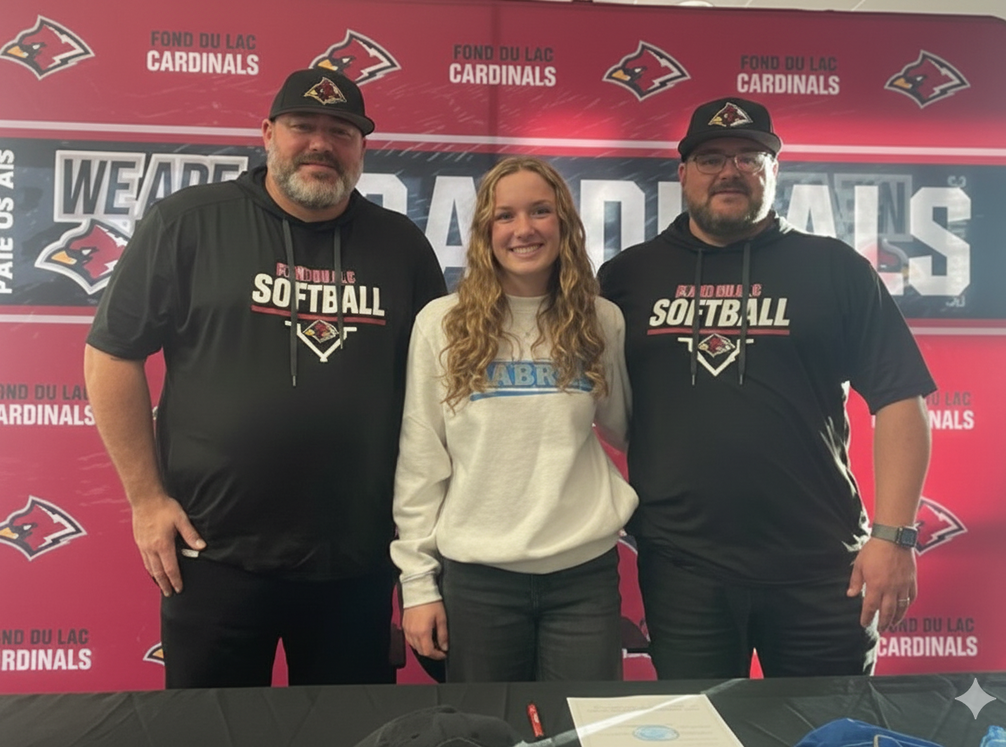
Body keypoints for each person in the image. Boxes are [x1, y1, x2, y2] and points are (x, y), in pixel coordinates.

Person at [84, 68, 447, 688]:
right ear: (267, 134)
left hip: (356, 560)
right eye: (302, 126)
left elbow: (439, 395)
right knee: (208, 734)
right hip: (211, 554)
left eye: (341, 131)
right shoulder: (190, 223)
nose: (320, 144)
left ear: (363, 148)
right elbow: (112, 354)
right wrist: (146, 501)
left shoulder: (402, 246)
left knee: (348, 736)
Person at [598, 97, 935, 679]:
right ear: (682, 174)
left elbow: (901, 398)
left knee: (828, 735)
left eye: (749, 156)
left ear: (774, 171)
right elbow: (594, 404)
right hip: (685, 571)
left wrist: (895, 536)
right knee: (697, 737)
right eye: (710, 158)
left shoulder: (834, 268)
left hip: (823, 566)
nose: (730, 171)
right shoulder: (627, 277)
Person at [391, 157, 637, 682]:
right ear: (484, 231)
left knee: (581, 732)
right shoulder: (442, 323)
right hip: (479, 583)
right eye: (505, 216)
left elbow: (624, 427)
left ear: (564, 224)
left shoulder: (601, 320)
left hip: (583, 578)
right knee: (484, 731)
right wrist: (417, 583)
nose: (523, 229)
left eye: (540, 211)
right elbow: (420, 462)